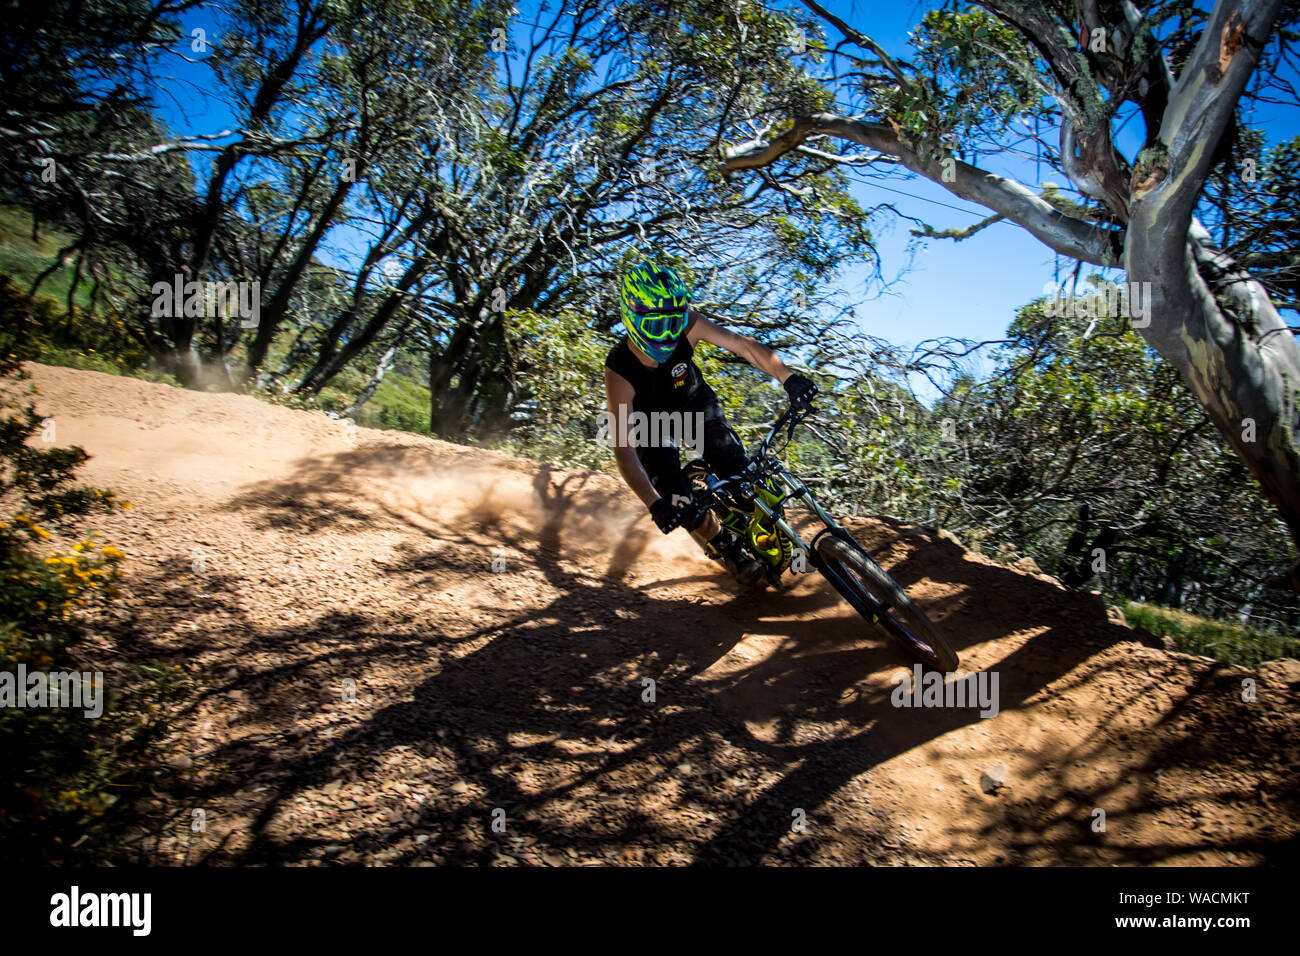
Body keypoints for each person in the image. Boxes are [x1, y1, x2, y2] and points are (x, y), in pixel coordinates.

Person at [603, 262, 818, 586]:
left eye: (675, 321)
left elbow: (743, 346)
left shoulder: (690, 324)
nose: (670, 333)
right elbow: (624, 448)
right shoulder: (619, 369)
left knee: (739, 469)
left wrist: (788, 378)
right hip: (651, 426)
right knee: (679, 502)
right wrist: (654, 503)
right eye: (658, 324)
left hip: (692, 403)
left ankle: (746, 511)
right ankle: (725, 546)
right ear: (631, 317)